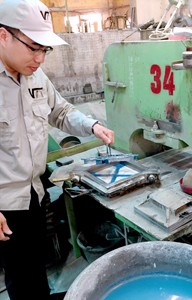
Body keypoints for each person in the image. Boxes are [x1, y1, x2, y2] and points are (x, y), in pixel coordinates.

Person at [0, 0, 114, 299]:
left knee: (35, 267)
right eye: (33, 47)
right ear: (3, 36)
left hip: (34, 195)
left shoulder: (35, 76)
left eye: (44, 50)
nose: (40, 58)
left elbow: (60, 112)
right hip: (4, 206)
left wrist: (91, 126)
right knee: (18, 275)